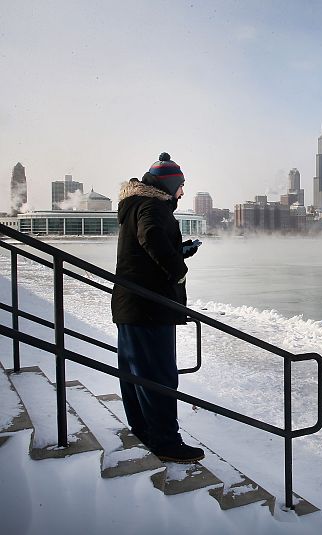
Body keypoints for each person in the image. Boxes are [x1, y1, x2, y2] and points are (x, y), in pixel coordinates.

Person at [111, 152, 204, 463]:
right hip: (149, 306)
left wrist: (179, 251)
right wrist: (177, 269)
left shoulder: (137, 204)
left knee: (136, 370)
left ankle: (143, 429)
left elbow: (145, 244)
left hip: (132, 305)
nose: (183, 192)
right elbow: (150, 236)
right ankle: (166, 442)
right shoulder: (153, 206)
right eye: (181, 186)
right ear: (171, 184)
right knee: (159, 375)